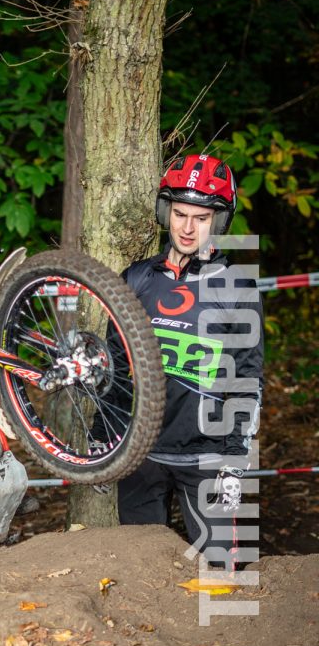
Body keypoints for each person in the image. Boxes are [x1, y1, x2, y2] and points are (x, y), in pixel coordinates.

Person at [112, 153, 264, 569]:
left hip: (207, 457)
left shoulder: (237, 288)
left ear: (219, 221)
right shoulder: (136, 278)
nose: (187, 227)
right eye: (179, 214)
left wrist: (236, 460)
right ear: (166, 212)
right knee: (141, 575)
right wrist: (103, 443)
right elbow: (115, 368)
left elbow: (248, 379)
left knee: (225, 572)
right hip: (141, 455)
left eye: (201, 217)